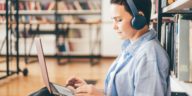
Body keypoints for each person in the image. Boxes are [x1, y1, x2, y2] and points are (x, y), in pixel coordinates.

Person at [30, 0, 171, 96]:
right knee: (45, 92)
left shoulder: (149, 56)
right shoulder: (131, 46)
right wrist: (91, 90)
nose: (114, 26)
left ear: (139, 18)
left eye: (119, 20)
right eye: (113, 20)